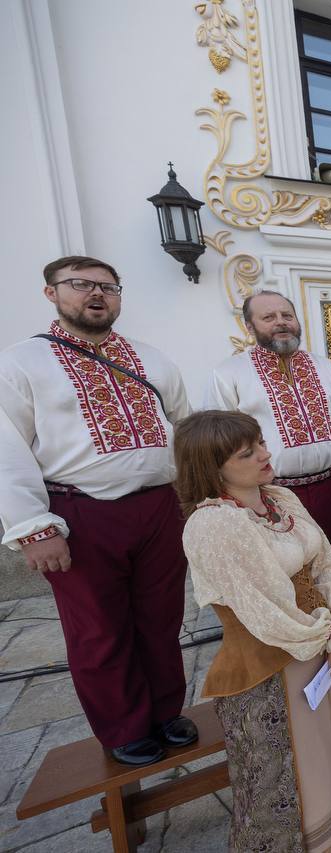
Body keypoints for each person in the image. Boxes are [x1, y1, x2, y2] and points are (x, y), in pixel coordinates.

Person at [0, 255, 195, 766]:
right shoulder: (21, 363)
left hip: (160, 507)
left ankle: (165, 712)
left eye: (108, 287)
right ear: (51, 294)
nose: (96, 295)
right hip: (80, 513)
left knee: (161, 617)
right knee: (99, 629)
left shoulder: (154, 360)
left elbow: (186, 425)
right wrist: (33, 527)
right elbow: (8, 449)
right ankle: (124, 727)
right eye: (80, 285)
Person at [178, 410, 331, 851]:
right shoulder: (214, 524)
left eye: (262, 443)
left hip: (320, 653)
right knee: (297, 785)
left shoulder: (280, 499)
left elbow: (326, 561)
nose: (266, 455)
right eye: (248, 453)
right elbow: (265, 611)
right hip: (271, 667)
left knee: (326, 767)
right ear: (213, 468)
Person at [204, 289, 331, 558]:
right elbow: (217, 444)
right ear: (249, 326)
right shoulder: (229, 373)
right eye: (269, 317)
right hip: (269, 494)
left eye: (287, 315)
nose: (281, 322)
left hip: (330, 489)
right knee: (287, 572)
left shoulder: (327, 368)